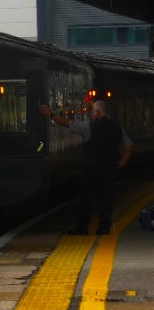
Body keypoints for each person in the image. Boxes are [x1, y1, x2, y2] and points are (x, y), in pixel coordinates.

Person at [39, 99, 132, 234]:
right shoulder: (117, 128)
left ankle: (82, 227)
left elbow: (68, 124)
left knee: (86, 198)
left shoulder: (88, 126)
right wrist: (123, 161)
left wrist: (51, 115)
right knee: (107, 198)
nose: (91, 114)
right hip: (110, 169)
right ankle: (104, 226)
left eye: (93, 111)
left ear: (99, 112)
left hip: (91, 169)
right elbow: (128, 146)